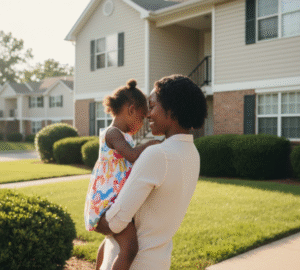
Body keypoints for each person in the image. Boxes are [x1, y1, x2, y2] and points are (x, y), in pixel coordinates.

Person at [95, 74, 207, 270]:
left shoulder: (158, 155)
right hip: (159, 262)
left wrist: (95, 218)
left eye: (153, 106)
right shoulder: (192, 153)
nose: (147, 114)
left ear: (171, 110)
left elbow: (114, 222)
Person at [84, 79, 160, 270]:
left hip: (109, 204)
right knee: (130, 247)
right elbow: (132, 156)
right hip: (104, 206)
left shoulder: (123, 136)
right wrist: (152, 144)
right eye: (142, 117)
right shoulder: (113, 134)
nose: (142, 123)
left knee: (112, 240)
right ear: (131, 110)